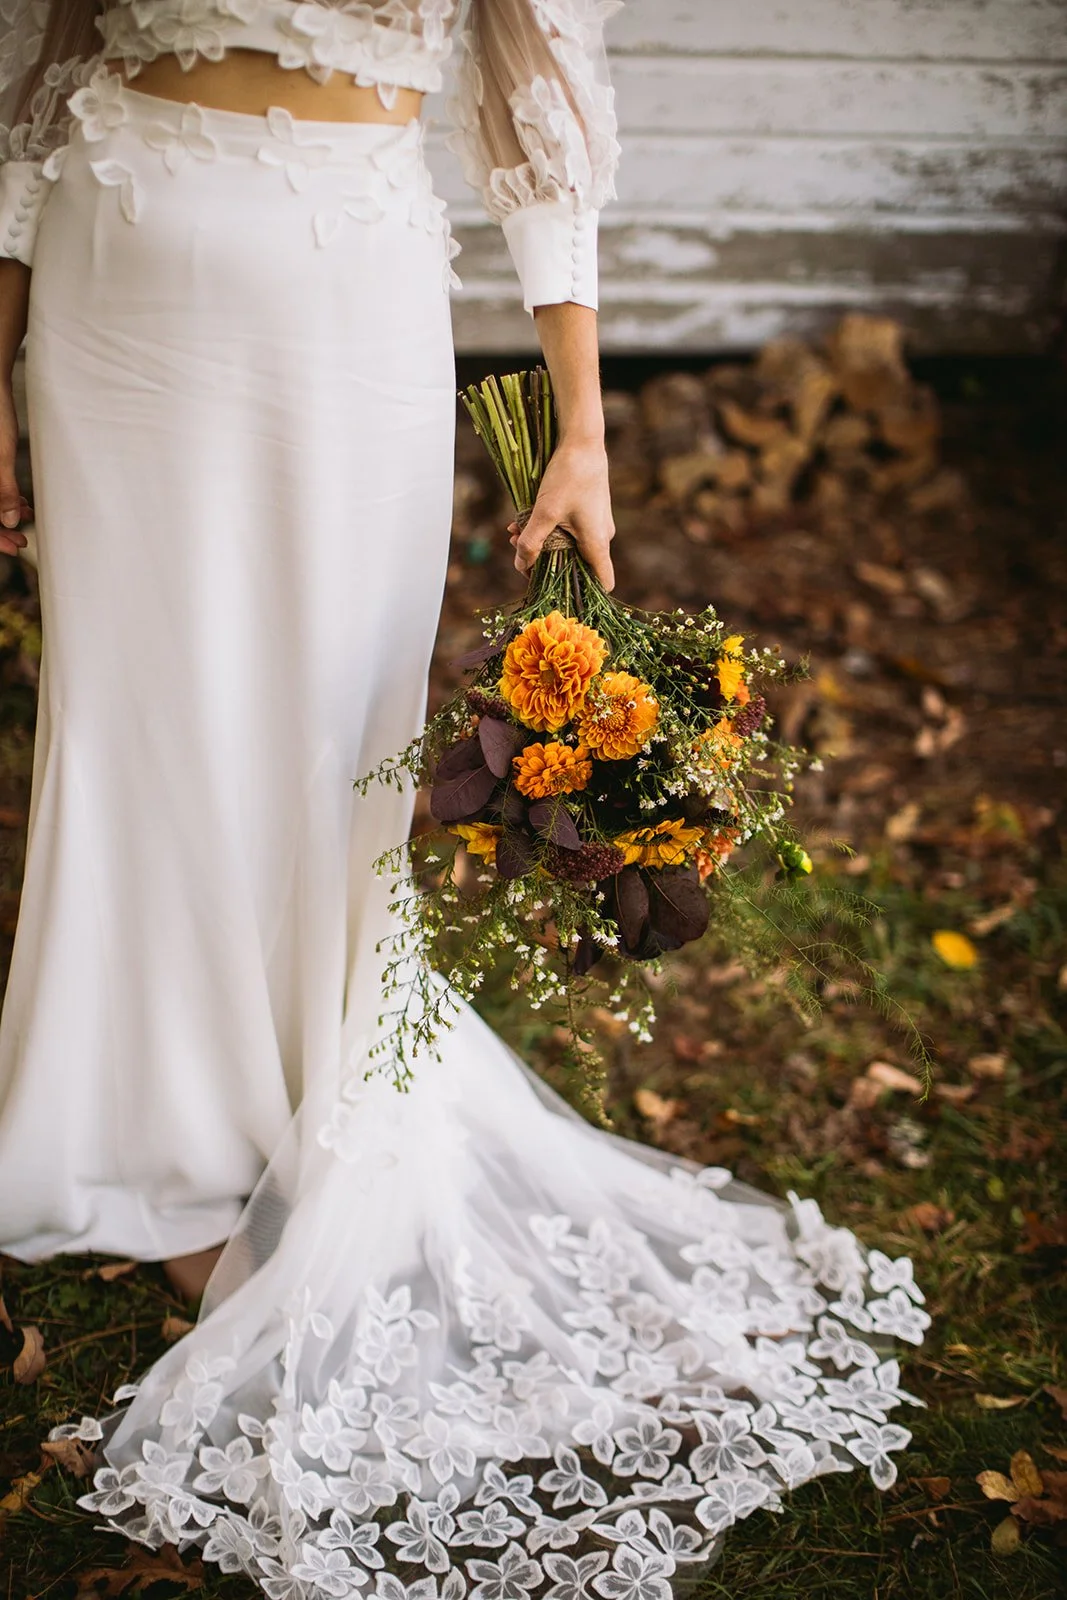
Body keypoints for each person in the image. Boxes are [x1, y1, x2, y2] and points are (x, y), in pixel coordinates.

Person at [0, 4, 929, 1593]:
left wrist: (580, 426)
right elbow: (40, 71)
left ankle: (306, 1091)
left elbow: (541, 113)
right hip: (118, 258)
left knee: (322, 731)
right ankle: (148, 1122)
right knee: (138, 712)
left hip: (348, 289)